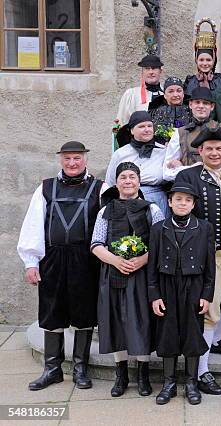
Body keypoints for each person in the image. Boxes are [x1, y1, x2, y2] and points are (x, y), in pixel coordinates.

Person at [18, 141, 105, 391]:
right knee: (51, 311)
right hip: (52, 258)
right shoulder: (45, 188)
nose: (72, 163)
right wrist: (30, 262)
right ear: (60, 160)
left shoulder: (100, 188)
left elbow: (109, 224)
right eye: (67, 159)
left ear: (85, 159)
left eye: (77, 158)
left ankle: (80, 370)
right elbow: (33, 224)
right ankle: (52, 369)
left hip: (86, 259)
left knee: (84, 313)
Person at [174, 122, 221, 396]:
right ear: (201, 151)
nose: (215, 153)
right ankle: (202, 370)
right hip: (210, 255)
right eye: (209, 149)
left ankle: (208, 343)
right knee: (208, 313)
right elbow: (182, 218)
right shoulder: (188, 177)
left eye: (220, 148)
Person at [91, 162, 165, 398]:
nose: (128, 181)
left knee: (140, 320)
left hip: (141, 275)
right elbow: (95, 244)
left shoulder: (151, 209)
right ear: (117, 182)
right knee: (115, 321)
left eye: (132, 177)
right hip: (112, 273)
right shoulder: (106, 210)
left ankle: (143, 374)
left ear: (139, 181)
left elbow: (161, 244)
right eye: (123, 177)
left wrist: (143, 260)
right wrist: (115, 261)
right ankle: (121, 374)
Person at [148, 182, 216, 405]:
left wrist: (207, 294)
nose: (182, 203)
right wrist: (154, 295)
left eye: (187, 200)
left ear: (194, 204)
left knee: (192, 333)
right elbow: (152, 266)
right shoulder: (159, 229)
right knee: (167, 333)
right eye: (178, 199)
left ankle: (191, 382)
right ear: (169, 201)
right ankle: (168, 383)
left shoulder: (204, 228)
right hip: (167, 285)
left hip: (193, 286)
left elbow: (210, 266)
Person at [163, 87, 221, 181]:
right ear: (190, 104)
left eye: (205, 103)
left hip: (218, 186)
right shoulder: (180, 133)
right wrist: (189, 170)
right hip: (190, 187)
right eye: (197, 102)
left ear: (212, 107)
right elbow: (167, 173)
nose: (201, 106)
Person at [106, 111, 168, 217]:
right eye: (141, 126)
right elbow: (110, 182)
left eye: (149, 126)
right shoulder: (121, 154)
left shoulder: (163, 151)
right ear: (132, 131)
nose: (147, 129)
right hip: (126, 200)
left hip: (157, 201)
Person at [184, 17, 221, 97]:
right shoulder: (190, 82)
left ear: (214, 60)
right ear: (196, 60)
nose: (205, 63)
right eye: (201, 60)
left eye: (208, 60)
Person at [116, 54, 164, 127]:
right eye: (147, 68)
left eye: (154, 68)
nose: (151, 72)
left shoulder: (167, 94)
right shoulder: (131, 95)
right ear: (142, 72)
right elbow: (122, 122)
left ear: (160, 71)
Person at [148, 76, 192, 143]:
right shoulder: (155, 112)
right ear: (165, 95)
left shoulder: (192, 111)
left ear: (183, 94)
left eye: (179, 91)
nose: (175, 94)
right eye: (171, 91)